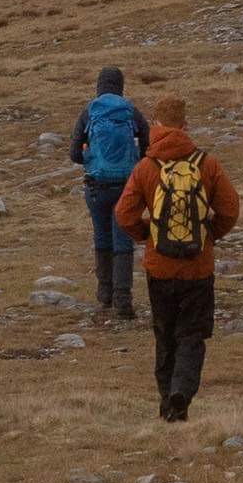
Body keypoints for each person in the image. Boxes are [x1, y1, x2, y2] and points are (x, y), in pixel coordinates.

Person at [109, 92, 241, 422]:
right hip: (198, 267)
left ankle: (168, 400)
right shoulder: (207, 164)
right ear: (185, 125)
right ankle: (181, 392)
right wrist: (210, 235)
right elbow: (229, 209)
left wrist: (148, 236)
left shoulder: (146, 167)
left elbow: (124, 215)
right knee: (192, 334)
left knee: (164, 334)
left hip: (159, 266)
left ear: (155, 126)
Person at [67, 63, 145, 322]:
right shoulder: (130, 111)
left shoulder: (89, 112)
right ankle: (124, 301)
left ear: (99, 85)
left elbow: (74, 154)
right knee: (123, 241)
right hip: (126, 186)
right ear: (121, 86)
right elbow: (148, 145)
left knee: (102, 236)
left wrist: (91, 159)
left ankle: (105, 295)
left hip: (96, 187)